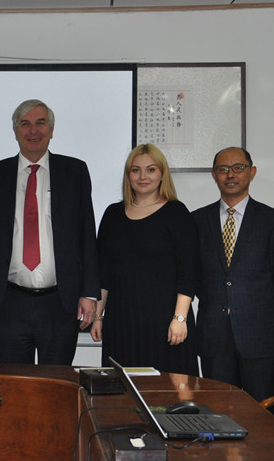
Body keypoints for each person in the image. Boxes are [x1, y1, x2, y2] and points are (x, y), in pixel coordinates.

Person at [0, 99, 98, 365]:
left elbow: (87, 235)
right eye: (25, 124)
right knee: (16, 383)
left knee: (57, 384)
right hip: (10, 303)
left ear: (51, 130)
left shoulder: (74, 172)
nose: (33, 131)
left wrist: (89, 294)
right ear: (15, 131)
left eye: (40, 123)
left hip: (61, 303)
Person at [191, 147, 274, 401]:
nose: (231, 175)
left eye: (238, 168)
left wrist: (258, 311)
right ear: (214, 175)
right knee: (218, 413)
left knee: (262, 413)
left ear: (252, 172)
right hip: (213, 336)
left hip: (260, 335)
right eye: (223, 169)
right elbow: (193, 275)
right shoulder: (196, 220)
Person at [91, 144, 199, 375]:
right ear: (128, 174)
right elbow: (103, 274)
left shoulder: (176, 212)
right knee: (123, 391)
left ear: (162, 174)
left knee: (168, 393)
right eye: (135, 170)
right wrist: (99, 317)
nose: (143, 176)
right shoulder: (112, 214)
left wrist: (180, 318)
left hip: (166, 323)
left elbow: (188, 273)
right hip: (121, 323)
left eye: (151, 170)